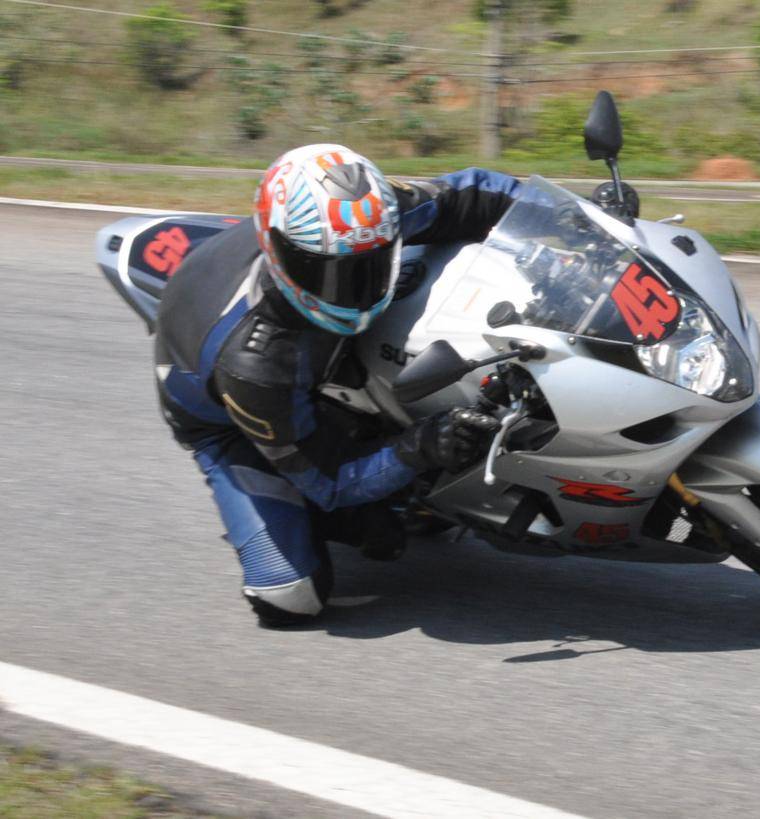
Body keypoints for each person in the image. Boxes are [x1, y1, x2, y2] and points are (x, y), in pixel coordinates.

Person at [154, 144, 520, 628]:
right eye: (322, 270)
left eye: (366, 264)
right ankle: (335, 519)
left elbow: (475, 192)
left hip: (305, 355)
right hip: (229, 419)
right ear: (278, 248)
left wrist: (585, 227)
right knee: (289, 596)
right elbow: (331, 480)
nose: (347, 287)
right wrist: (421, 447)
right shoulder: (256, 365)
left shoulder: (366, 218)